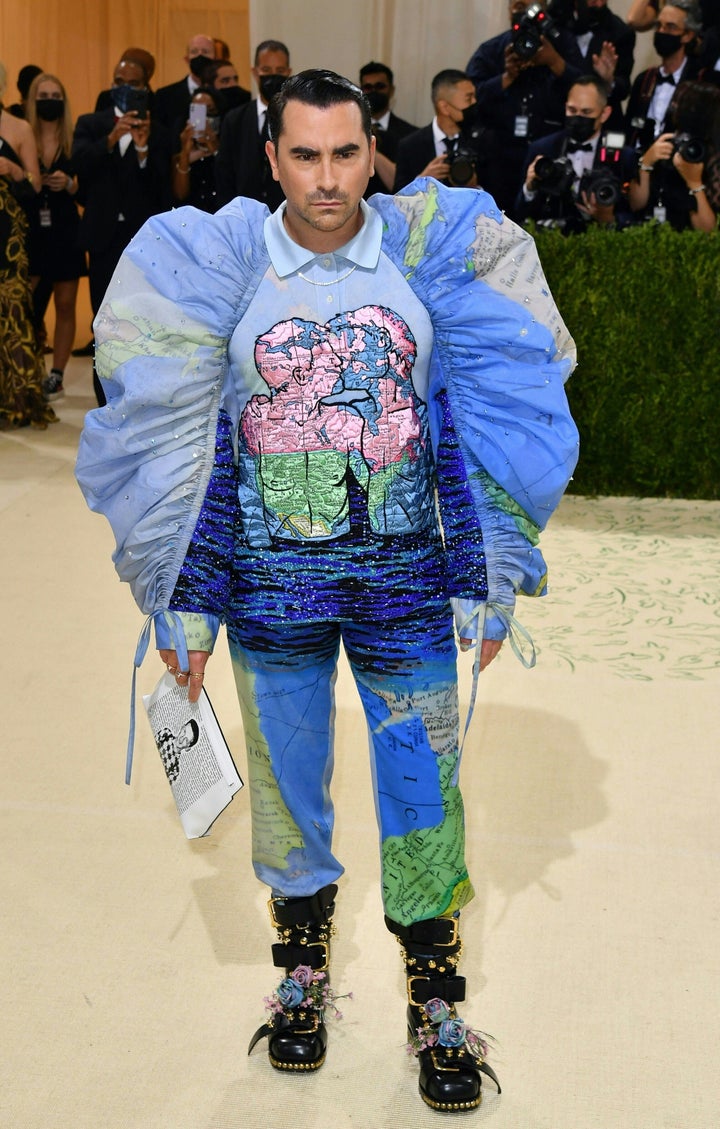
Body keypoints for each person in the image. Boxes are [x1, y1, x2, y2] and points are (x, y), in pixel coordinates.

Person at [75, 69, 578, 1112]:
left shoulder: (429, 258)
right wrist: (187, 606)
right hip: (273, 600)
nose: (327, 179)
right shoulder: (220, 273)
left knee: (422, 788)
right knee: (288, 782)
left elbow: (472, 420)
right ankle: (301, 973)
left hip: (405, 593)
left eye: (346, 154)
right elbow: (200, 456)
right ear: (272, 158)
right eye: (304, 156)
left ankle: (436, 993)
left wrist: (488, 581)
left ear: (370, 152)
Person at [72, 55, 172, 404]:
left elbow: (164, 189)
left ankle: (138, 397)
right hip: (102, 239)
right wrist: (111, 138)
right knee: (102, 322)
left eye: (133, 84)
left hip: (143, 243)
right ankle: (105, 402)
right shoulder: (90, 123)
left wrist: (143, 148)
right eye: (118, 82)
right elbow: (79, 165)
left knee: (141, 323)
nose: (124, 89)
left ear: (146, 87)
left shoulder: (159, 131)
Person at [467, 0, 584, 213]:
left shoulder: (561, 42)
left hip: (549, 156)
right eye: (518, 7)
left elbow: (586, 89)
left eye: (531, 8)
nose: (524, 14)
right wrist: (506, 77)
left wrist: (554, 62)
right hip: (499, 157)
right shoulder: (492, 49)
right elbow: (469, 97)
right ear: (509, 10)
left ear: (544, 8)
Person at [0, 60, 55, 429]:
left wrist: (16, 170)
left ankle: (16, 398)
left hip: (6, 232)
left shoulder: (17, 127)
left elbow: (35, 184)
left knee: (12, 308)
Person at [25, 73, 87, 400]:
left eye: (55, 94)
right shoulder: (24, 134)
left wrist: (71, 184)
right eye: (43, 94)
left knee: (65, 304)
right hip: (30, 228)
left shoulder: (74, 138)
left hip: (65, 228)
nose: (49, 99)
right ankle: (27, 368)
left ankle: (57, 374)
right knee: (28, 304)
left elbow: (87, 192)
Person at [516, 74, 638, 230]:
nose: (578, 118)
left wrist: (608, 218)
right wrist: (529, 188)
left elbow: (634, 215)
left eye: (586, 112)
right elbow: (519, 212)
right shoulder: (543, 148)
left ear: (604, 114)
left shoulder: (623, 156)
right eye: (572, 110)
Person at [628, 78, 720, 227]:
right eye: (674, 101)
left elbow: (708, 231)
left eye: (680, 103)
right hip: (649, 230)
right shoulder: (664, 143)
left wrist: (694, 182)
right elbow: (635, 204)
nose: (673, 106)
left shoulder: (712, 157)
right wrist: (646, 163)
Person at [215, 39, 291, 208]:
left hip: (289, 219)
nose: (272, 76)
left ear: (288, 73)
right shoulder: (234, 119)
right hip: (243, 219)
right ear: (255, 72)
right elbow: (224, 176)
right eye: (266, 70)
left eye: (279, 71)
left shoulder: (299, 119)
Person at [393, 69, 493, 192]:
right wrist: (422, 180)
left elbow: (501, 195)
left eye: (474, 96)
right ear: (444, 107)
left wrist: (475, 188)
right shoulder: (409, 146)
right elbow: (396, 198)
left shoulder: (484, 141)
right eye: (469, 98)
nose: (475, 102)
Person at [625, 0, 703, 149]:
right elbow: (630, 130)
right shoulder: (644, 79)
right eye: (659, 26)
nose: (661, 32)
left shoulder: (700, 82)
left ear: (687, 35)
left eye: (671, 27)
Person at [566, 0, 637, 131]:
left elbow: (623, 87)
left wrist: (609, 81)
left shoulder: (620, 32)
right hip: (556, 123)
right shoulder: (554, 24)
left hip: (601, 127)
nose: (598, 4)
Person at [359, 61, 416, 194]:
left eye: (380, 86)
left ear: (391, 90)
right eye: (368, 87)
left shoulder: (410, 134)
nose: (373, 91)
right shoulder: (348, 131)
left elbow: (408, 187)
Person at [171, 86, 223, 211]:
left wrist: (214, 146)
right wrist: (185, 153)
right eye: (197, 112)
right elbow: (180, 195)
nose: (203, 119)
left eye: (209, 111)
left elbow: (227, 183)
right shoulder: (180, 147)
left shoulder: (228, 146)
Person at [153, 34, 216, 131]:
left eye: (205, 51)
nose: (200, 55)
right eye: (194, 52)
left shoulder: (224, 93)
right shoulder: (165, 96)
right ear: (187, 59)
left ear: (215, 58)